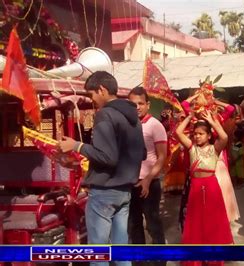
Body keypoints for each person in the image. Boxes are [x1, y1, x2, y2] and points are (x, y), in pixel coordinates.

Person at [58, 71, 145, 266]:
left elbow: (107, 157)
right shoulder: (134, 118)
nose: (92, 100)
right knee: (121, 251)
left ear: (102, 90)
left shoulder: (105, 114)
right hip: (125, 191)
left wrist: (76, 146)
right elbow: (142, 153)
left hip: (105, 192)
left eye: (92, 95)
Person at [175, 110, 233, 266]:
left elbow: (224, 137)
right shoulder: (191, 148)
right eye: (195, 134)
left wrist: (213, 121)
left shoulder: (215, 148)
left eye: (201, 134)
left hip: (212, 188)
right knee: (195, 223)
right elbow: (178, 132)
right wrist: (188, 116)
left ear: (209, 135)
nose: (197, 136)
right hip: (195, 189)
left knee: (213, 223)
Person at [127, 87, 167, 246]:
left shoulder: (155, 125)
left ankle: (159, 261)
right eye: (133, 104)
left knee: (153, 224)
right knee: (133, 224)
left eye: (141, 103)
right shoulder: (126, 125)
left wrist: (148, 179)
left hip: (150, 183)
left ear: (148, 105)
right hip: (130, 182)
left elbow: (162, 156)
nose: (137, 107)